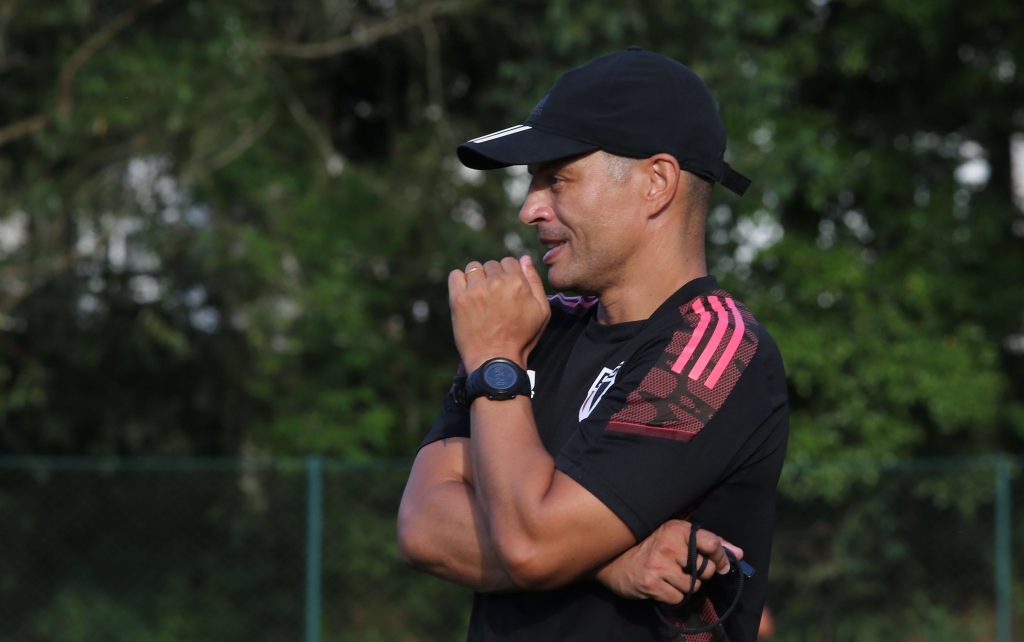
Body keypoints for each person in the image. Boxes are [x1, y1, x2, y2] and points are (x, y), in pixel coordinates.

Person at [397, 47, 789, 641]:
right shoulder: (534, 327)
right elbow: (424, 527)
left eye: (557, 179)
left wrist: (498, 363)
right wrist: (605, 560)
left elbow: (532, 546)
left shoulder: (715, 347)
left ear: (656, 182)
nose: (530, 208)